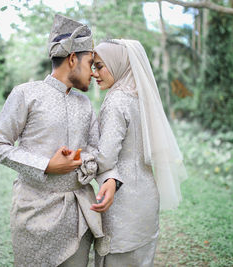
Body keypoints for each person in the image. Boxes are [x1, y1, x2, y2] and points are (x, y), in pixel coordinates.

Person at [0, 14, 110, 266]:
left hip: (78, 213)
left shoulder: (84, 104)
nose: (93, 72)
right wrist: (46, 165)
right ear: (72, 58)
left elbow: (96, 150)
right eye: (90, 63)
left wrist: (84, 161)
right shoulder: (26, 94)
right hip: (35, 214)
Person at [90, 39, 188, 267]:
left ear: (117, 64)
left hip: (122, 201)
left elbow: (105, 158)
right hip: (146, 196)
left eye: (100, 66)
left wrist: (83, 152)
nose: (95, 73)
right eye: (94, 66)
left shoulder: (116, 101)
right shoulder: (141, 98)